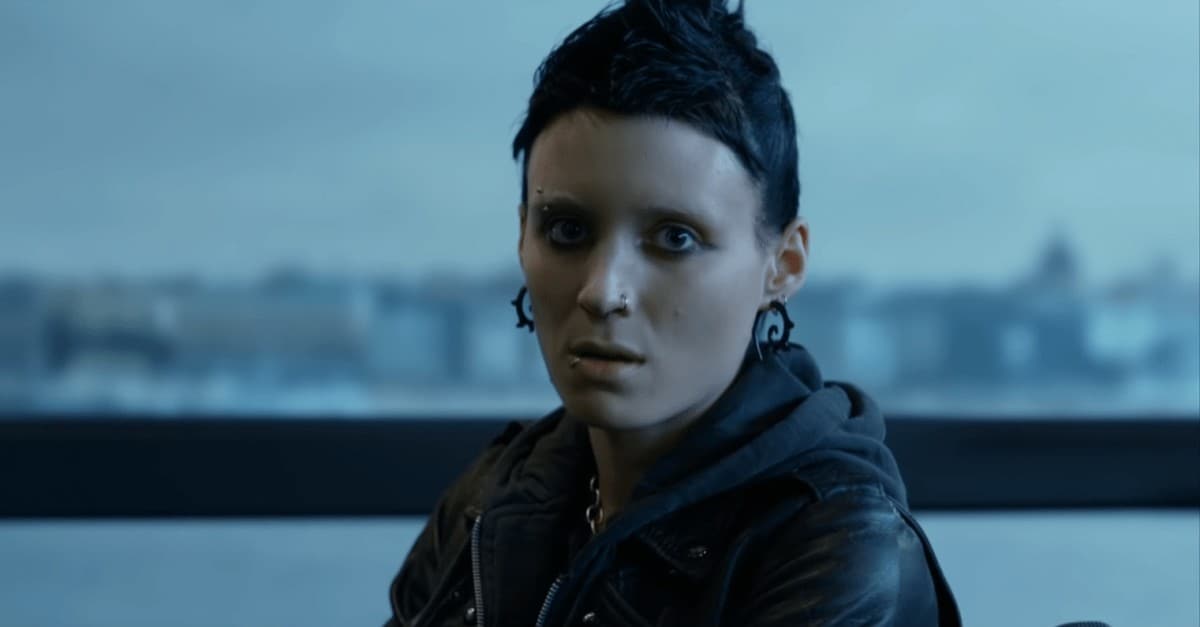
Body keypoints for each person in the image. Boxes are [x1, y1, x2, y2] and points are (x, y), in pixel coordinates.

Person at [385, 1, 961, 625]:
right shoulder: (494, 495)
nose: (603, 291)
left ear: (783, 264)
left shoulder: (840, 547)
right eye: (568, 230)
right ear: (524, 237)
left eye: (675, 238)